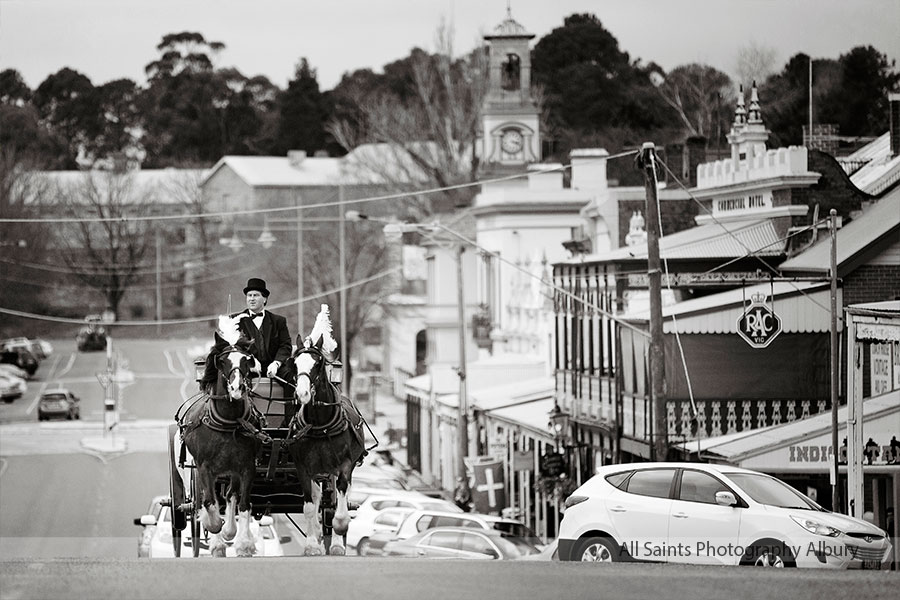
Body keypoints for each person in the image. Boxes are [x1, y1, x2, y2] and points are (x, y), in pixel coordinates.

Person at [200, 277, 293, 395]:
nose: (252, 299)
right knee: (235, 381)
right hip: (246, 366)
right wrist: (251, 361)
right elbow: (232, 348)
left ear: (264, 299)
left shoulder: (278, 321)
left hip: (273, 367)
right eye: (249, 295)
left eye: (256, 295)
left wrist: (276, 363)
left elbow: (285, 346)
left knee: (292, 379)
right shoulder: (235, 321)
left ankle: (291, 408)